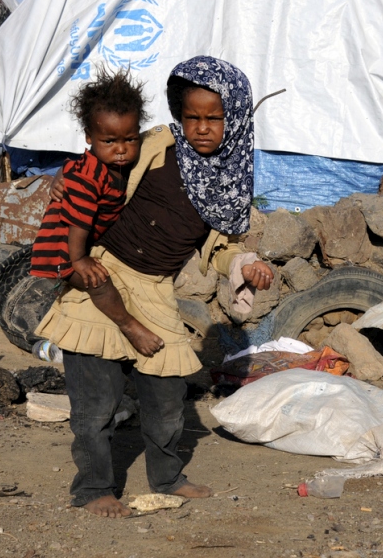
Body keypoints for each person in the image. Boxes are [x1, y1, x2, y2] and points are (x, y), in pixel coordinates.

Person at [36, 56, 274, 518]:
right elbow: (102, 159)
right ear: (178, 115)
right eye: (192, 117)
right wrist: (62, 179)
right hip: (103, 276)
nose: (202, 128)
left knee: (167, 398)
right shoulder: (155, 146)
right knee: (96, 404)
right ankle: (94, 489)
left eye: (214, 118)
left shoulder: (229, 180)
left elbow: (218, 247)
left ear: (237, 118)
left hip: (157, 292)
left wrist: (246, 265)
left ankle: (166, 477)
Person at [29, 67, 150, 339]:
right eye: (109, 141)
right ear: (88, 137)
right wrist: (80, 260)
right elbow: (78, 224)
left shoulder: (112, 165)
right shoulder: (90, 178)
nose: (121, 149)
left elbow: (69, 165)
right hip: (62, 249)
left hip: (78, 242)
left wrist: (59, 175)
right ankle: (127, 325)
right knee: (97, 282)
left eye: (130, 139)